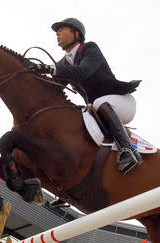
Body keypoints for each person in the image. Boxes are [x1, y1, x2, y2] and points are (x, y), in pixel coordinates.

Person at [29, 18, 143, 175]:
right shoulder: (64, 63)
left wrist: (48, 68)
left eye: (61, 29)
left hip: (122, 102)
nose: (57, 33)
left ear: (76, 33)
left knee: (98, 102)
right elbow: (53, 88)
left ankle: (128, 150)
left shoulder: (90, 48)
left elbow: (83, 71)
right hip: (98, 108)